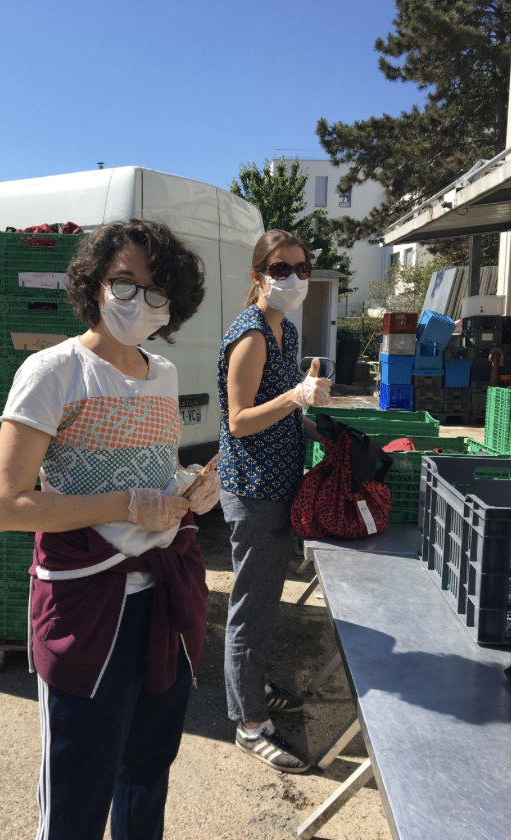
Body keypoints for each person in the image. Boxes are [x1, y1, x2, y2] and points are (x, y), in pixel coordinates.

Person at [0, 219, 218, 840]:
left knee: (147, 770)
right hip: (86, 603)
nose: (140, 302)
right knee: (78, 788)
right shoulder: (52, 371)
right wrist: (124, 504)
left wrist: (188, 490)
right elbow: (7, 506)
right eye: (124, 283)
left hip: (162, 598)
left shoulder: (163, 375)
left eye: (156, 291)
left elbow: (153, 470)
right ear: (94, 286)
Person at [218, 230, 333, 773]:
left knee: (263, 603)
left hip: (277, 484)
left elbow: (283, 410)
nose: (292, 278)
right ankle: (249, 724)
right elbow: (239, 423)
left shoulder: (281, 328)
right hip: (254, 489)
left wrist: (316, 420)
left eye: (301, 268)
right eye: (280, 268)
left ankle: (251, 691)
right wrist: (295, 397)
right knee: (253, 607)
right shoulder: (253, 336)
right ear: (258, 274)